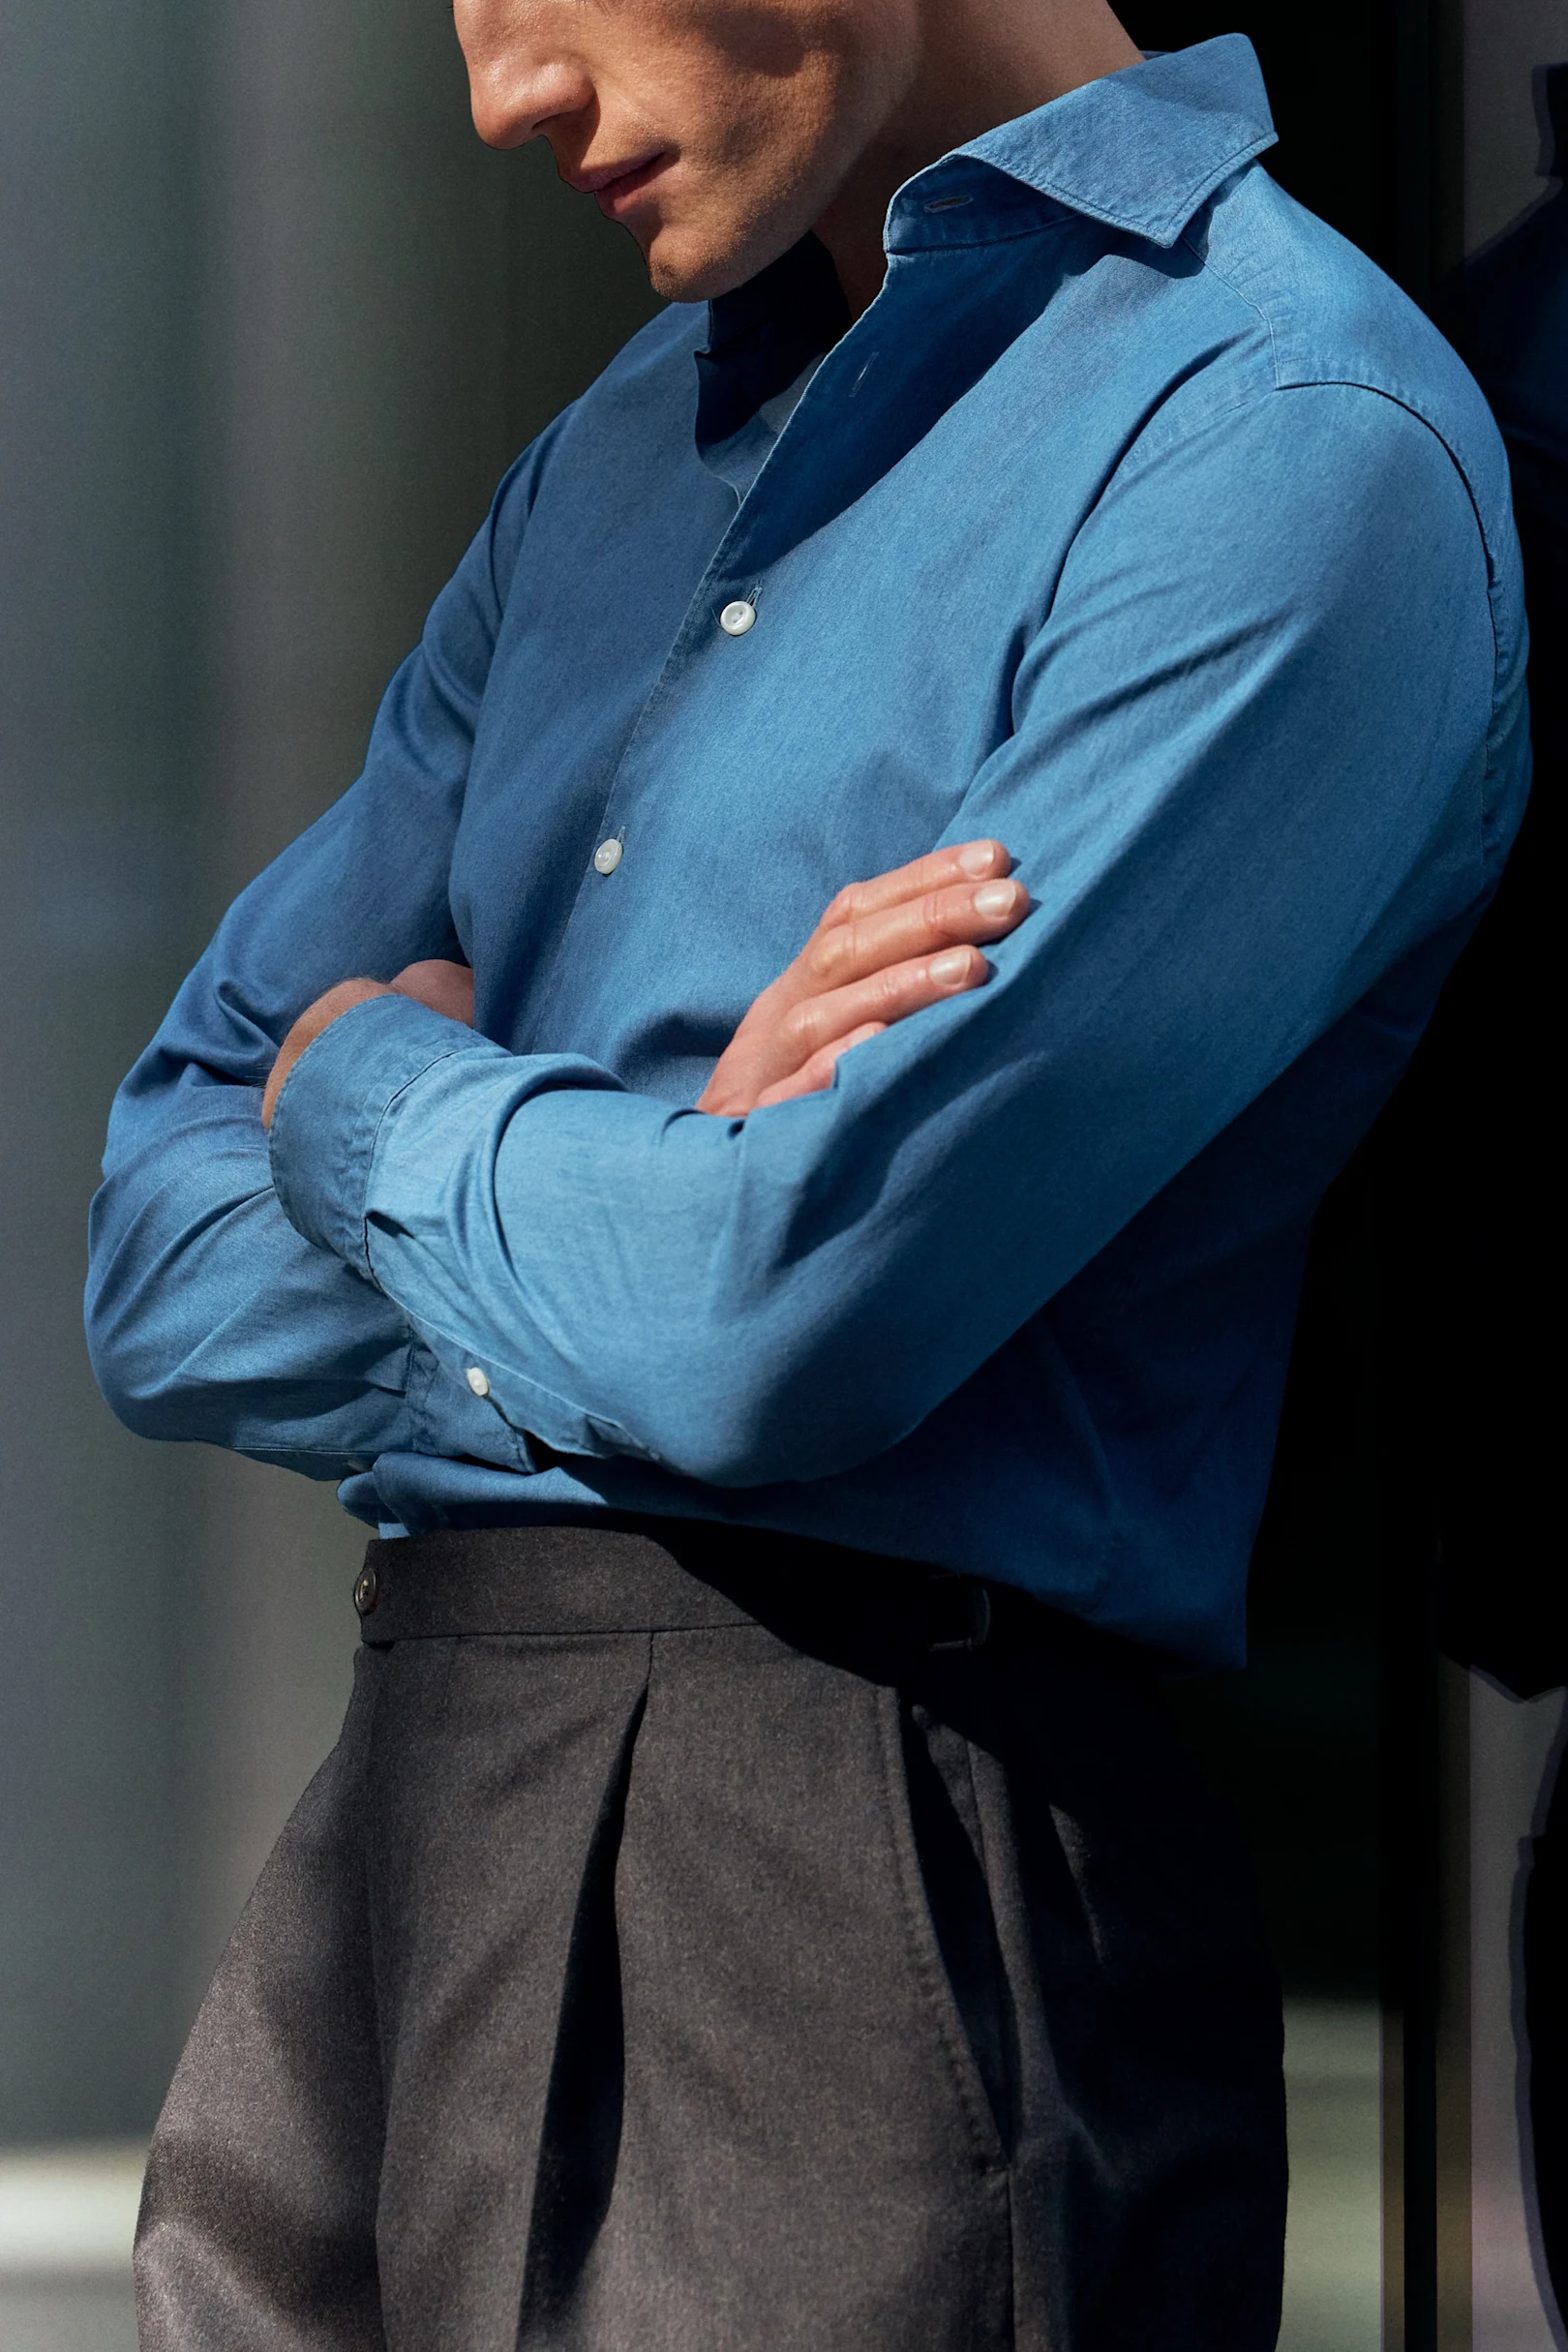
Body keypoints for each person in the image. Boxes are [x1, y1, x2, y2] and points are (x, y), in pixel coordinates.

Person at [85, 0, 1528, 2343]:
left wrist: (367, 1095)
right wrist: (645, 1186)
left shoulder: (1283, 433)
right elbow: (153, 1256)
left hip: (854, 1867)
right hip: (396, 1819)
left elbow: (769, 1325)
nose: (502, 94)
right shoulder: (606, 460)